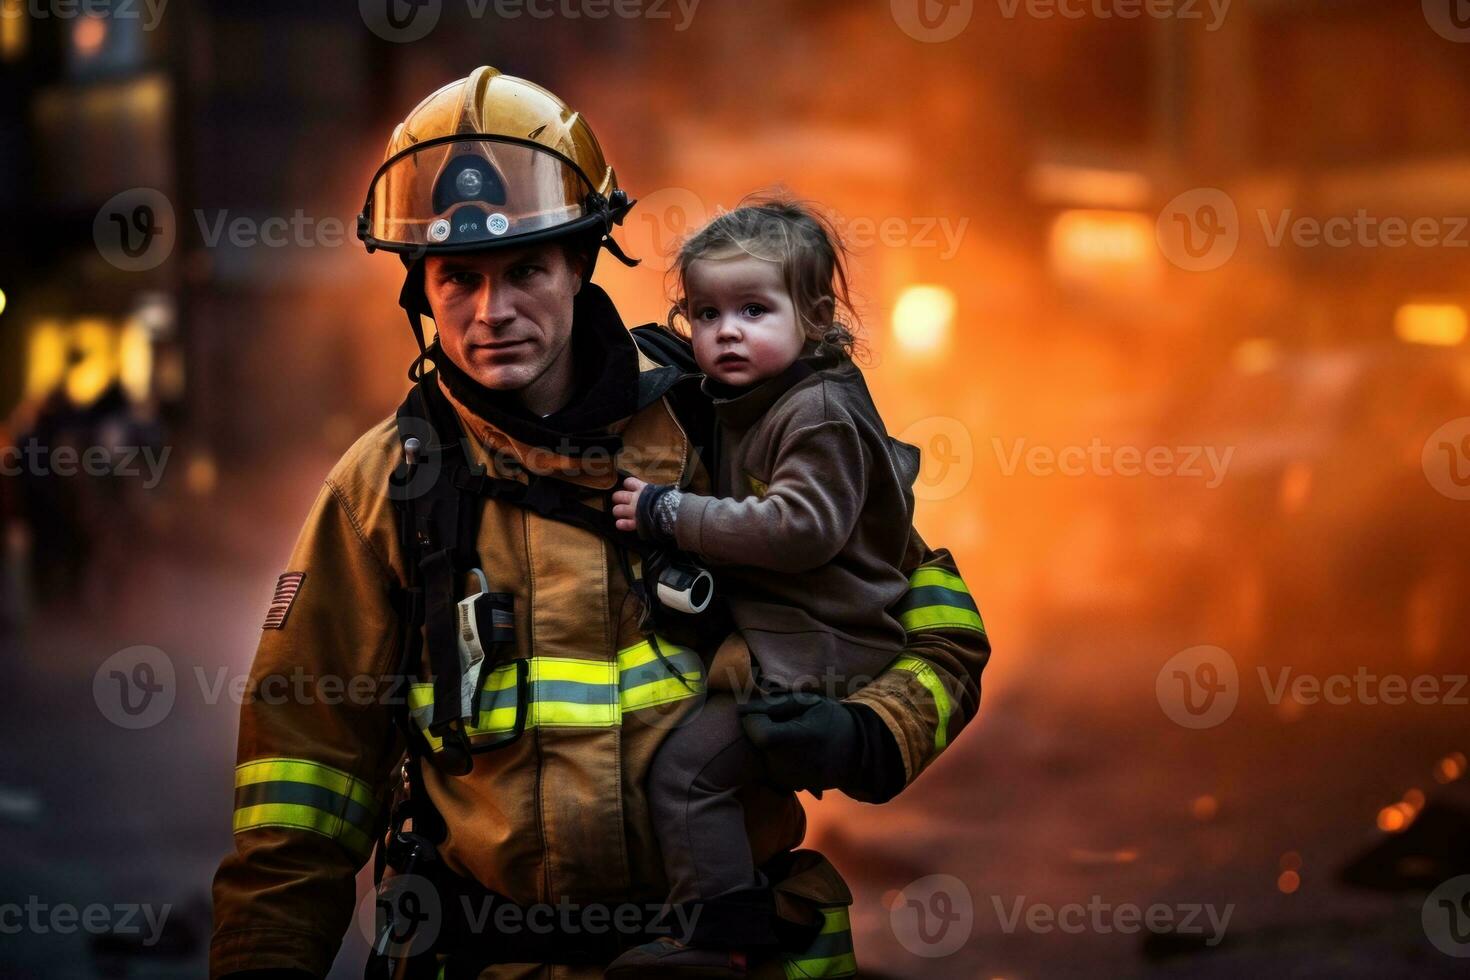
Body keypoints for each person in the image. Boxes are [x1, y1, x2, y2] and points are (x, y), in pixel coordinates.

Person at [210, 66, 991, 980]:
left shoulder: (723, 428)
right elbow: (296, 803)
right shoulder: (386, 493)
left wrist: (868, 734)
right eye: (458, 278)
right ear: (420, 290)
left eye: (526, 270)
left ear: (581, 263)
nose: (493, 312)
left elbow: (938, 620)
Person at [607, 200, 920, 976]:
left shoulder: (814, 411)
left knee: (687, 774)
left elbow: (798, 529)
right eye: (706, 313)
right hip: (794, 634)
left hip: (823, 645)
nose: (727, 332)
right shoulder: (765, 397)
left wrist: (668, 511)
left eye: (754, 309)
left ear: (814, 317)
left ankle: (719, 943)